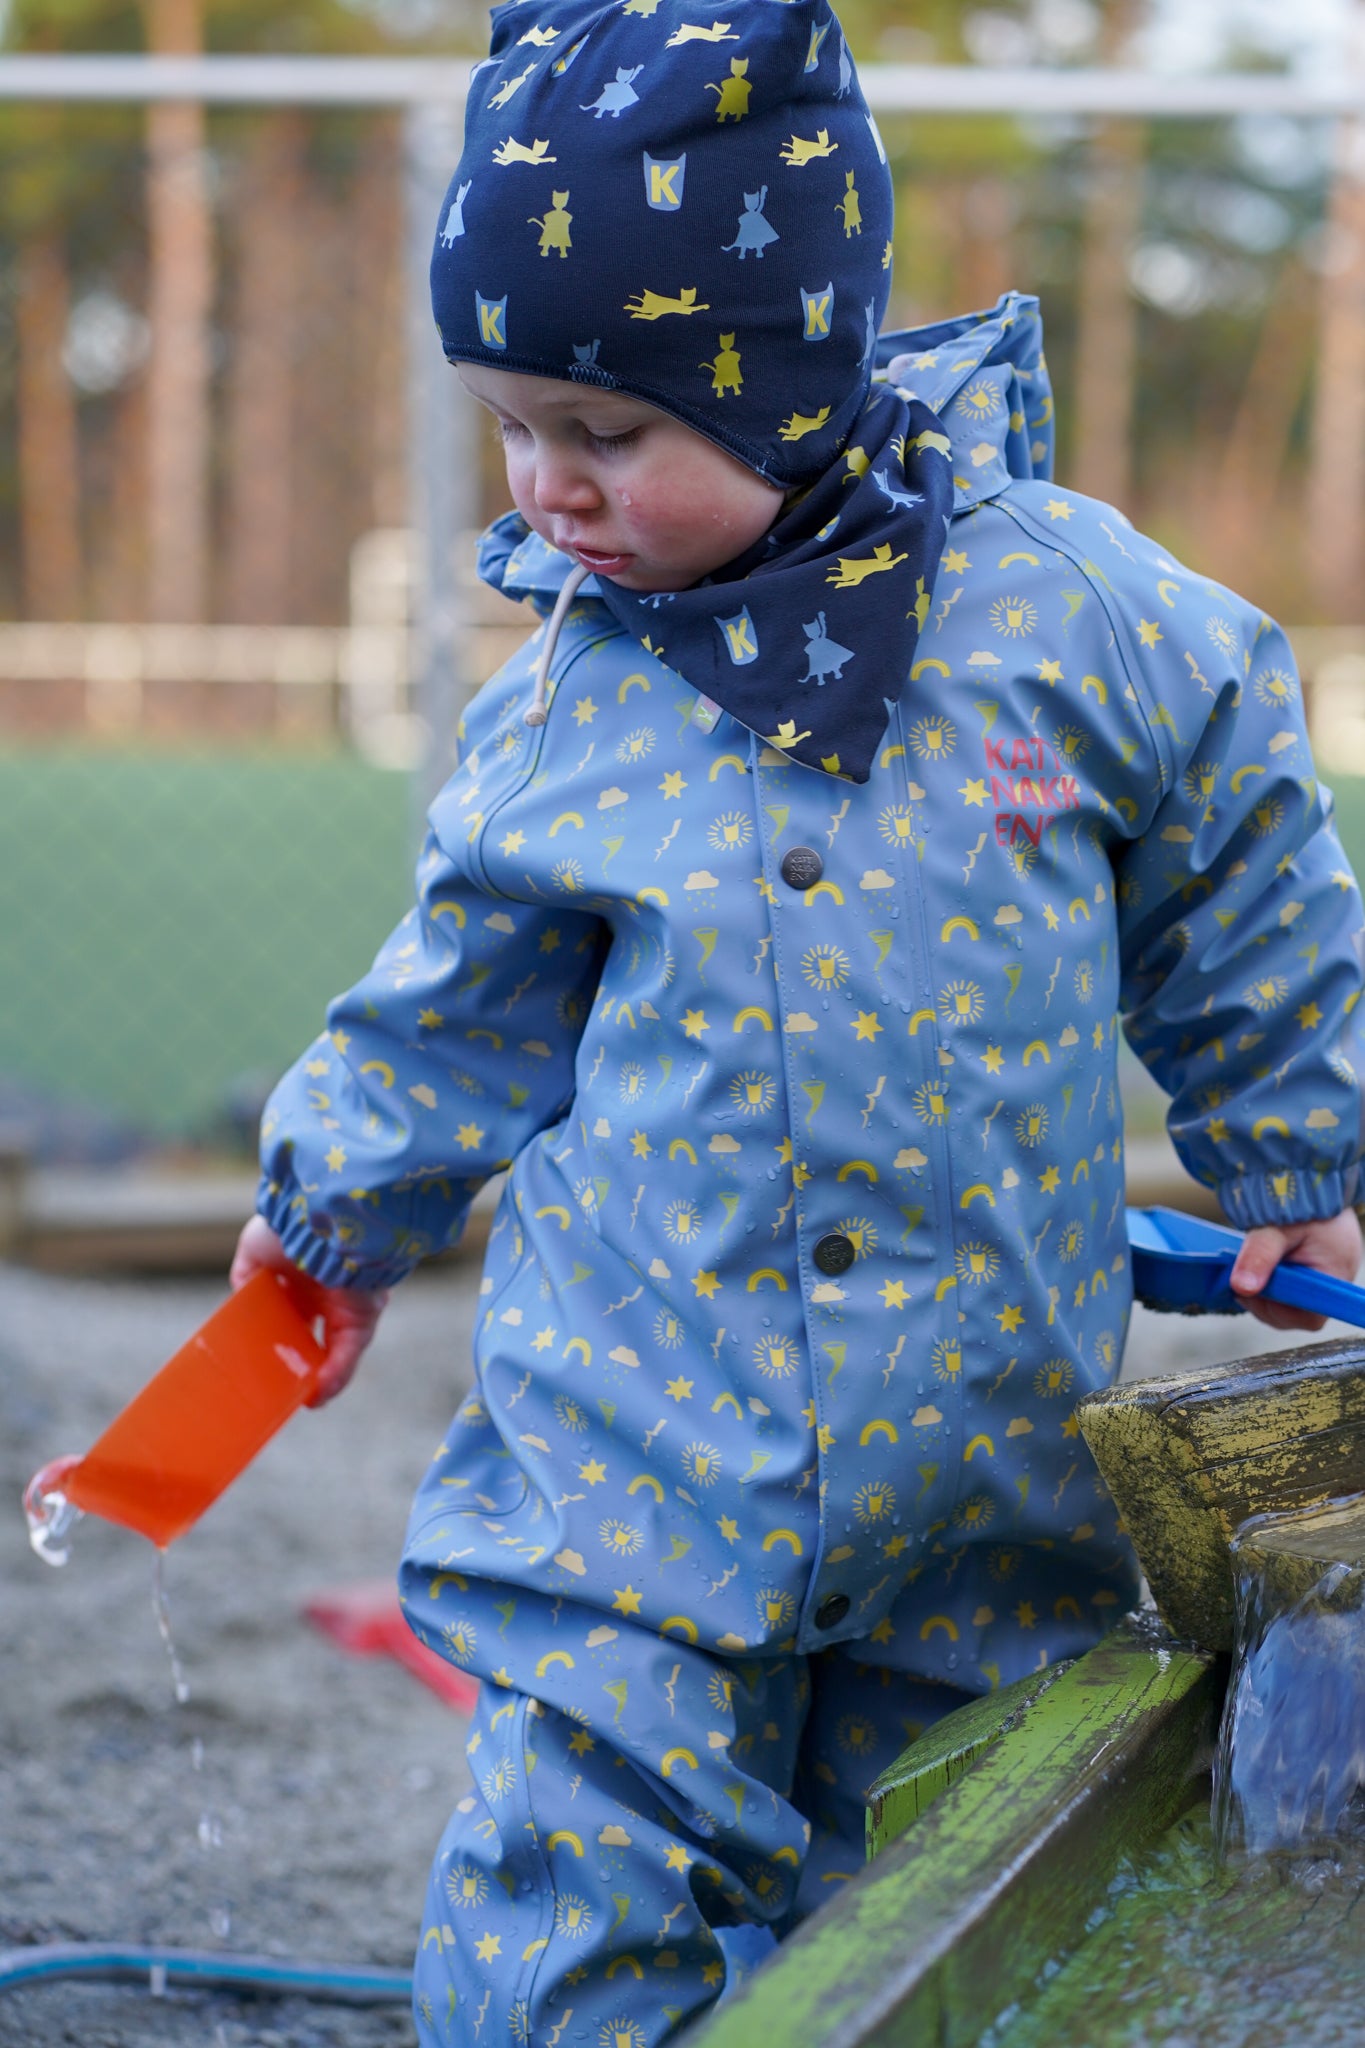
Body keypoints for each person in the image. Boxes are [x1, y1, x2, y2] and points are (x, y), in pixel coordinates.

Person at [232, 1, 1365, 2040]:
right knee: (577, 1883)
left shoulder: (1075, 620)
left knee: (938, 1888)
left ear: (785, 373)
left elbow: (1240, 858)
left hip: (979, 1469)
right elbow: (453, 1002)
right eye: (509, 426)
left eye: (606, 432)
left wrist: (1290, 1150)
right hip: (634, 1464)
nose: (546, 490)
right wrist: (332, 1213)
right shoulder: (570, 690)